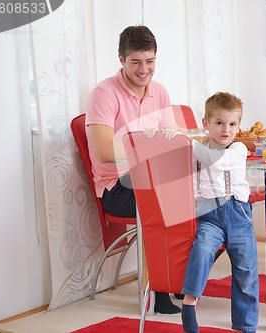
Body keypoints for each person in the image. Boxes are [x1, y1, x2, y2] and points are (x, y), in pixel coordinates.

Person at [86, 25, 182, 314]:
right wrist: (149, 154)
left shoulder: (160, 92)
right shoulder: (104, 93)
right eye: (136, 62)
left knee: (206, 196)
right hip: (116, 187)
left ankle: (178, 277)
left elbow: (173, 140)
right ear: (121, 59)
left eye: (150, 61)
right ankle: (161, 290)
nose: (144, 70)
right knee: (168, 201)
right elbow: (104, 151)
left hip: (152, 179)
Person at [180, 92, 259, 333]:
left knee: (246, 269)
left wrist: (186, 141)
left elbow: (214, 160)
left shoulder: (237, 149)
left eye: (233, 124)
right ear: (206, 124)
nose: (226, 129)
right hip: (208, 214)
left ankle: (245, 325)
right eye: (219, 123)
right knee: (202, 248)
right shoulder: (198, 149)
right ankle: (189, 301)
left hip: (237, 214)